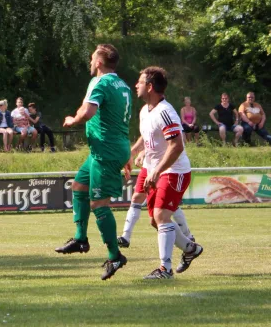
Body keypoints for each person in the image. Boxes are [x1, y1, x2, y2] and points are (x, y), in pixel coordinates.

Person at [54, 44, 130, 281]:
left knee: (99, 204)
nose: (89, 61)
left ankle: (115, 255)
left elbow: (87, 113)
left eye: (91, 58)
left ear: (99, 62)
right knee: (79, 186)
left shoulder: (102, 83)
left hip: (105, 151)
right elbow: (90, 106)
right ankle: (80, 238)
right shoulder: (120, 84)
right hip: (106, 148)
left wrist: (72, 120)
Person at [127, 66, 204, 279]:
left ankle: (165, 270)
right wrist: (132, 153)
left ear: (150, 87)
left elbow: (177, 146)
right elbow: (146, 136)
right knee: (156, 220)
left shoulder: (165, 111)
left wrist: (157, 171)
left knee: (161, 216)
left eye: (140, 82)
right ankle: (190, 249)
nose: (136, 85)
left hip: (175, 171)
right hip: (157, 170)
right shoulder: (145, 111)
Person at [117, 147, 194, 248]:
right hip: (148, 166)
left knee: (162, 210)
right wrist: (138, 152)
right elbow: (147, 138)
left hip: (164, 166)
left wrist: (142, 152)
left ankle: (188, 238)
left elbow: (173, 144)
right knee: (137, 199)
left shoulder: (170, 131)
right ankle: (125, 237)